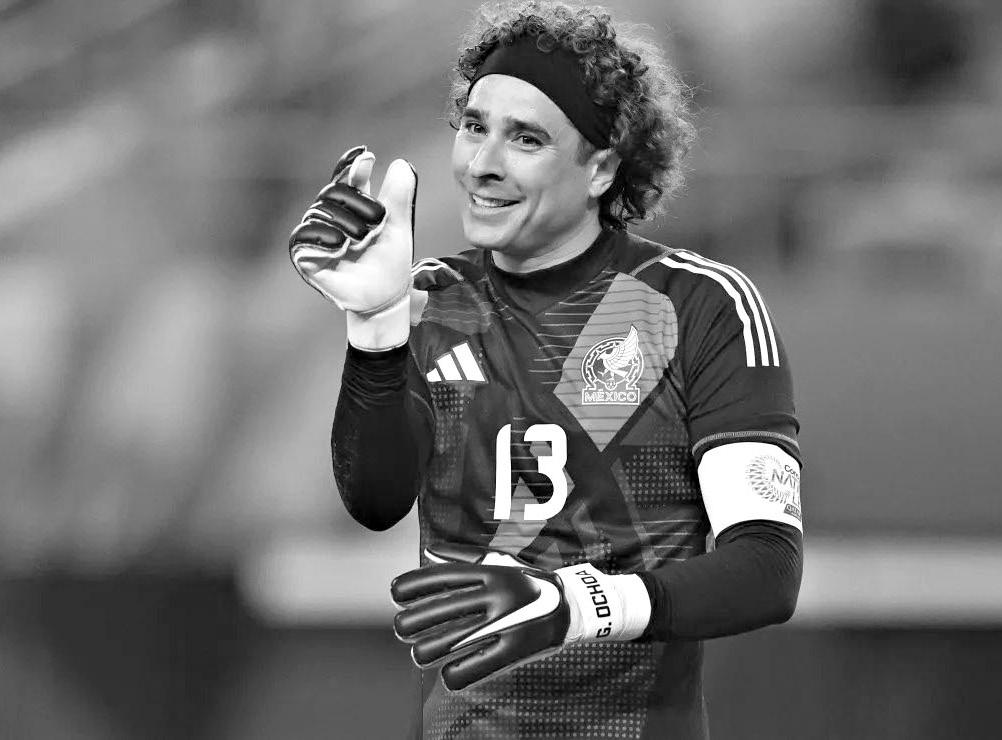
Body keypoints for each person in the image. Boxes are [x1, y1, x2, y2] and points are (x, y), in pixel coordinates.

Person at [288, 2, 803, 738]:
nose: (483, 164)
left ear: (601, 167)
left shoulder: (695, 305)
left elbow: (767, 569)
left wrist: (578, 604)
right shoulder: (429, 303)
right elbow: (375, 499)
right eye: (474, 126)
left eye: (526, 138)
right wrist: (373, 331)